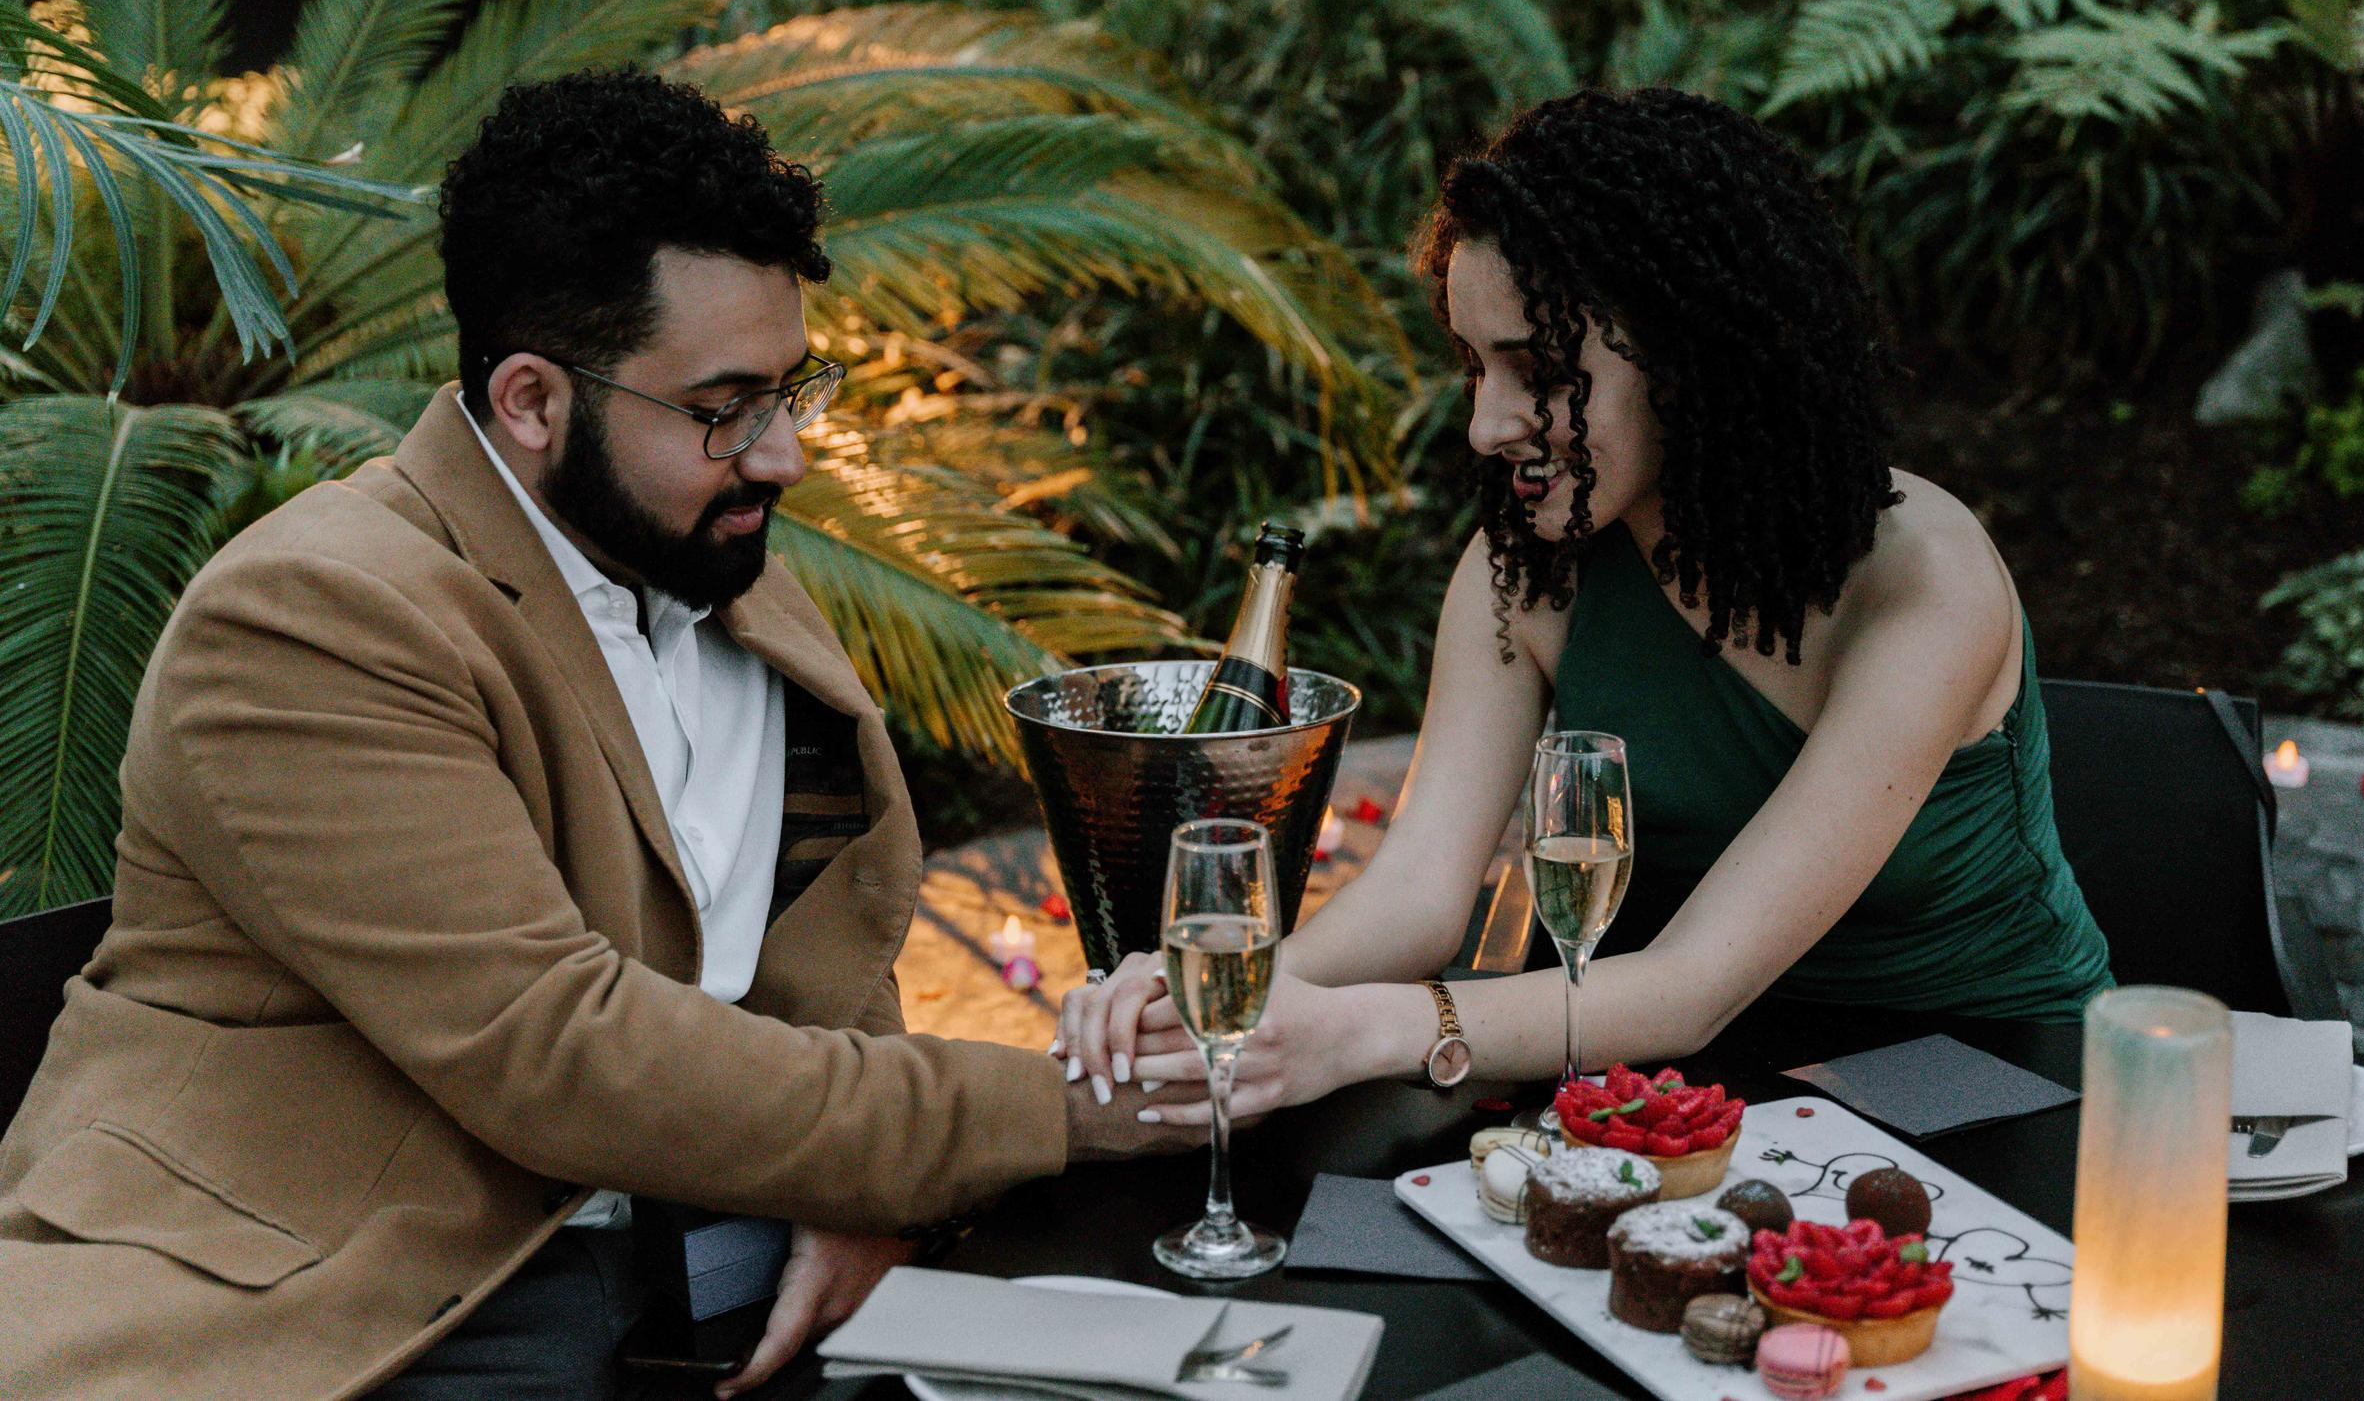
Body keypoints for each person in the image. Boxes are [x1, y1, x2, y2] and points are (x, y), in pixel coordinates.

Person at [0, 70, 1163, 1401]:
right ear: (532, 400)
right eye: (727, 404)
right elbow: (562, 1049)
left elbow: (820, 958)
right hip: (338, 1304)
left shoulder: (720, 568)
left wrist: (870, 1183)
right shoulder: (313, 617)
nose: (784, 454)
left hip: (699, 1254)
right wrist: (1050, 1110)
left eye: (795, 387)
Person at [1059, 87, 2112, 1125]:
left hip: (1992, 1083)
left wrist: (1369, 1032)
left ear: (1690, 355)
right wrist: (1208, 988)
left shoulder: (1923, 581)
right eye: (1474, 367)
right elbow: (1420, 897)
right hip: (1664, 1081)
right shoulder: (1526, 569)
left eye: (1538, 368)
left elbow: (1695, 983)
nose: (1485, 424)